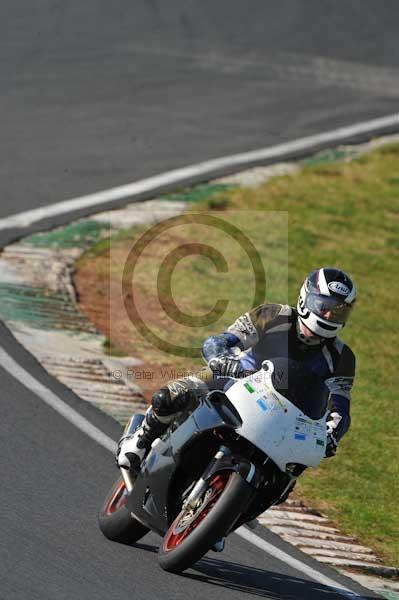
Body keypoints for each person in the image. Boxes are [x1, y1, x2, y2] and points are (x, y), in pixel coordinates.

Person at [117, 267, 356, 474]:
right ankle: (140, 441)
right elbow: (218, 342)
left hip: (286, 418)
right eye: (325, 307)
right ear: (306, 299)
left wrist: (331, 435)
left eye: (338, 311)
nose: (329, 315)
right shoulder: (272, 315)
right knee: (172, 394)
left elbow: (340, 408)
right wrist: (222, 359)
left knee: (294, 468)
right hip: (235, 378)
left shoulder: (343, 358)